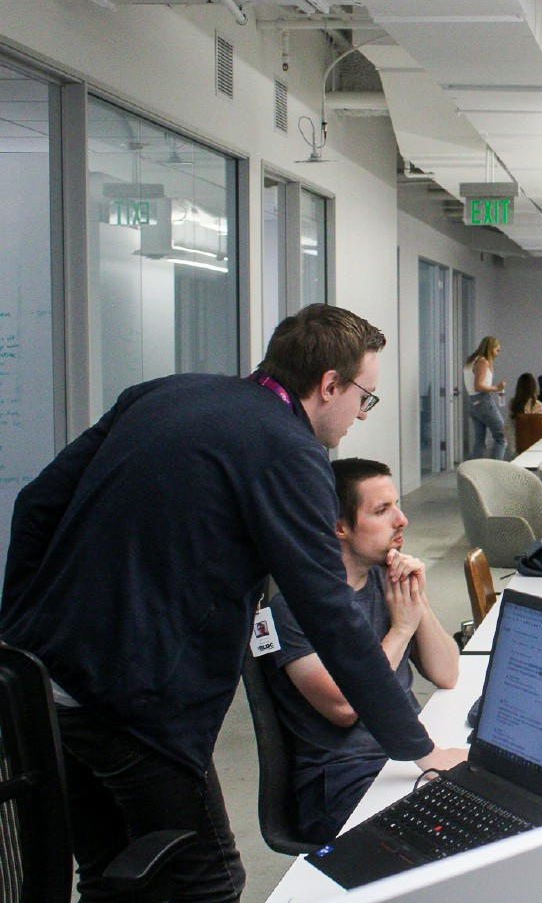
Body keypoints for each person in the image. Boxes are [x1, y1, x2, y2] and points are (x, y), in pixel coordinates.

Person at [0, 303, 466, 903]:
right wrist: (420, 748)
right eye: (363, 398)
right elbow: (327, 610)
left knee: (112, 870)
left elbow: (35, 505)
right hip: (135, 703)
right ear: (329, 385)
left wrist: (19, 639)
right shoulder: (290, 451)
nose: (359, 415)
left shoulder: (162, 394)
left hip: (45, 684)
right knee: (208, 880)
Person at [267, 458, 460, 843]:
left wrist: (416, 601)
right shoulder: (293, 607)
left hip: (405, 755)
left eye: (397, 505)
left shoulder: (383, 580)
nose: (402, 519)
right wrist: (401, 628)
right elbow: (344, 708)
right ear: (339, 526)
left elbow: (446, 673)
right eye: (382, 510)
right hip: (344, 778)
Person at [464, 336, 507, 459]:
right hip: (483, 401)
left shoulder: (471, 361)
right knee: (501, 437)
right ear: (491, 348)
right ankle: (496, 470)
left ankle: (476, 472)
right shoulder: (483, 362)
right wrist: (497, 388)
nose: (497, 354)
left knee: (479, 440)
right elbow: (478, 386)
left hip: (472, 402)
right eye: (497, 350)